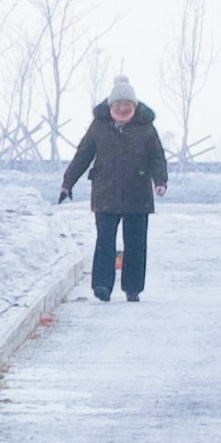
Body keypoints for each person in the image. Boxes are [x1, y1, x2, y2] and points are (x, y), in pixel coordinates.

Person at [59, 76, 167, 300]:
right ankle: (102, 286)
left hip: (138, 194)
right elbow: (83, 155)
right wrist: (67, 183)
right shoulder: (99, 126)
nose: (123, 108)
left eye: (127, 105)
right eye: (119, 105)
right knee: (105, 242)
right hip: (105, 192)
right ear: (111, 106)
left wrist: (160, 181)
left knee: (136, 244)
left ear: (134, 107)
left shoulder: (146, 127)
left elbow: (157, 156)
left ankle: (133, 288)